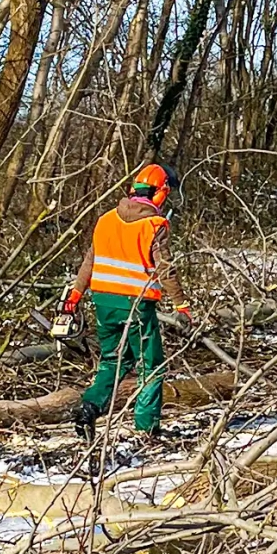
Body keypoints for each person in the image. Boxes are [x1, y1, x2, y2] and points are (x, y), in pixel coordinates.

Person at [61, 163, 192, 443]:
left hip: (103, 301)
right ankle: (147, 428)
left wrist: (75, 294)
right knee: (151, 365)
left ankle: (89, 407)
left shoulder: (106, 219)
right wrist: (181, 305)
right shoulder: (154, 225)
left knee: (112, 360)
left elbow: (90, 260)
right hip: (136, 305)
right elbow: (165, 268)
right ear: (160, 193)